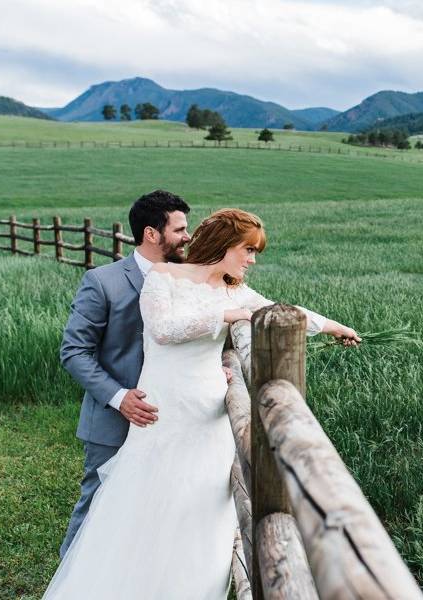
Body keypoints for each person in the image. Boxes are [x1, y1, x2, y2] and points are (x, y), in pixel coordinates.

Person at [45, 208, 360, 598]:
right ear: (225, 246)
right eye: (248, 250)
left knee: (204, 508)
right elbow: (163, 330)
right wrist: (227, 315)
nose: (252, 260)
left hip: (209, 416)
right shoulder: (165, 278)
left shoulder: (237, 290)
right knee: (152, 502)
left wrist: (336, 326)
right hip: (166, 412)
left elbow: (281, 311)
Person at [58, 189, 192, 559]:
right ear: (152, 233)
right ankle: (68, 581)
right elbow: (74, 352)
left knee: (152, 506)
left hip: (173, 418)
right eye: (180, 229)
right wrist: (120, 399)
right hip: (113, 420)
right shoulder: (103, 282)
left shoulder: (188, 279)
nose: (187, 236)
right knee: (98, 501)